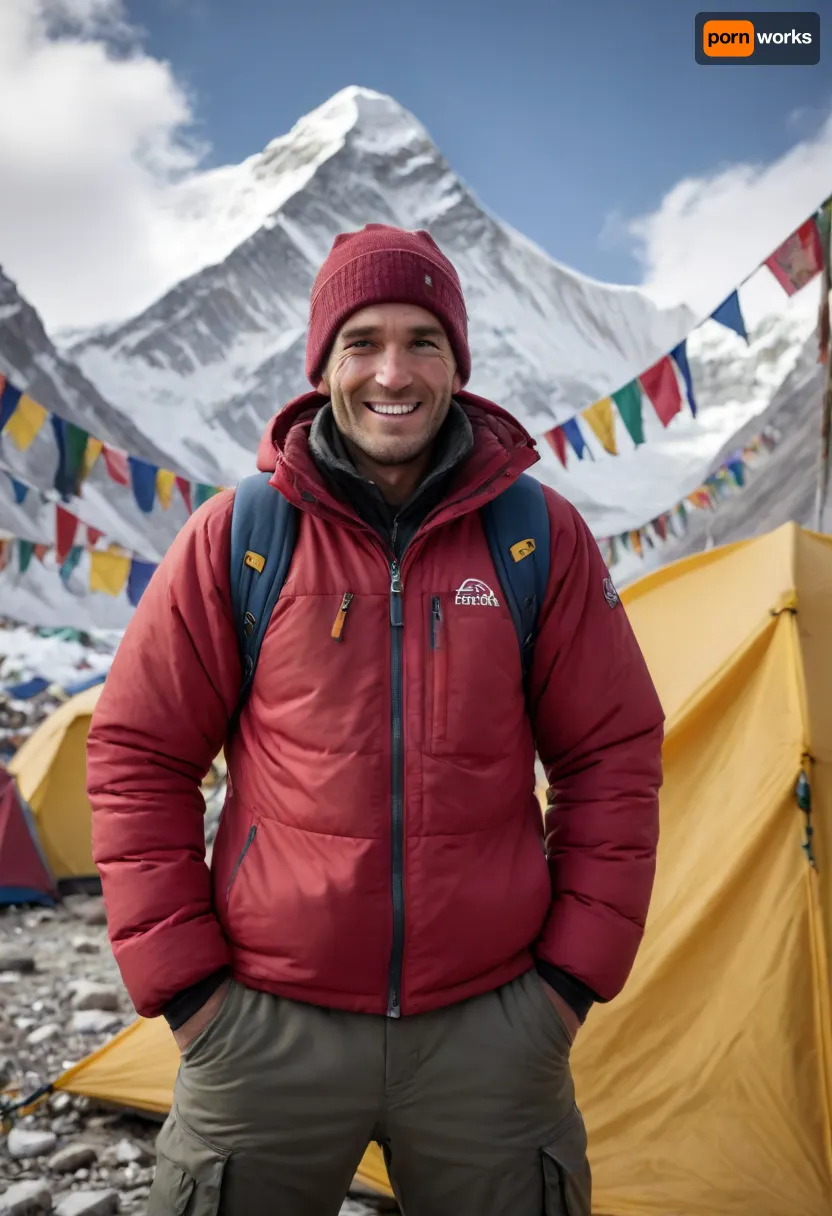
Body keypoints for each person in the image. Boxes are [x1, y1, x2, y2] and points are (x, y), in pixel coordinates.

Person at [86, 223, 664, 1216]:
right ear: (323, 364)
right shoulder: (241, 535)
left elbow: (611, 752)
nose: (391, 371)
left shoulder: (534, 537)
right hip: (264, 1027)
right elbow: (139, 751)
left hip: (492, 1028)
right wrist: (188, 991)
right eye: (362, 341)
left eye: (421, 340)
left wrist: (568, 982)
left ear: (457, 362)